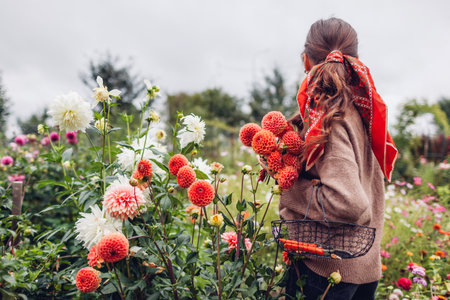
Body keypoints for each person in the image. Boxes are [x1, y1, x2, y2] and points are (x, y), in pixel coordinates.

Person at [267, 18, 398, 299]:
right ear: (356, 61)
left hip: (327, 272)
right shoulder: (361, 109)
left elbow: (350, 204)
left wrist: (289, 187)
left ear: (305, 60)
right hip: (359, 269)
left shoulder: (329, 118)